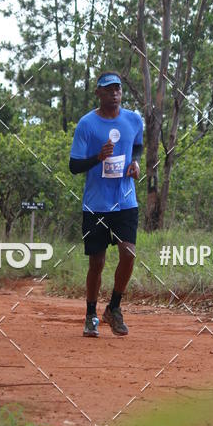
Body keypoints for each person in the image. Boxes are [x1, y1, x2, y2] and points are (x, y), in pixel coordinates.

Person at [69, 70, 144, 337]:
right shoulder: (86, 124)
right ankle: (91, 314)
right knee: (97, 262)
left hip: (125, 201)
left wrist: (135, 163)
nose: (114, 93)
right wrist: (98, 158)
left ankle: (114, 307)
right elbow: (74, 166)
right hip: (96, 205)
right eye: (108, 89)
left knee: (129, 254)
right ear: (98, 93)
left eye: (118, 89)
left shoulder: (134, 119)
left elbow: (137, 146)